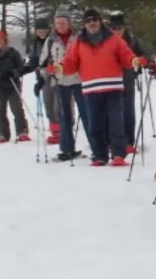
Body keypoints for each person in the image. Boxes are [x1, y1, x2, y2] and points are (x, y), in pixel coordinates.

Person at [55, 9, 146, 166]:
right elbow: (70, 60)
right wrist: (61, 67)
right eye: (89, 20)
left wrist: (133, 61)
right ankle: (99, 155)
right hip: (91, 89)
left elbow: (125, 54)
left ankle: (118, 154)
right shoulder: (78, 42)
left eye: (95, 20)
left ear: (100, 21)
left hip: (114, 87)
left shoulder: (113, 39)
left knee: (116, 121)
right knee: (95, 123)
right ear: (84, 24)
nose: (92, 23)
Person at [40, 11, 87, 161]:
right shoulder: (50, 40)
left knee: (87, 114)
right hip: (60, 81)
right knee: (64, 115)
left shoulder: (79, 37)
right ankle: (67, 149)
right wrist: (45, 74)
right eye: (58, 23)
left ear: (69, 23)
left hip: (79, 79)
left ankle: (98, 147)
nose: (60, 26)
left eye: (63, 23)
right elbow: (43, 62)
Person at [109, 12, 152, 155]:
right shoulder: (104, 41)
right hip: (109, 83)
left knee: (128, 113)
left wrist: (145, 62)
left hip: (127, 82)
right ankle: (112, 141)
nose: (116, 31)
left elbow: (146, 55)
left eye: (119, 28)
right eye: (113, 28)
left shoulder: (132, 41)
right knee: (112, 114)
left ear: (124, 28)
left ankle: (128, 142)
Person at [23, 17, 59, 145]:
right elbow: (34, 60)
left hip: (58, 75)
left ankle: (63, 132)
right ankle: (55, 133)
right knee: (49, 104)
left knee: (59, 106)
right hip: (43, 77)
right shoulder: (36, 43)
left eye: (44, 29)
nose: (41, 32)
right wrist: (24, 69)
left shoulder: (55, 40)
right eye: (39, 30)